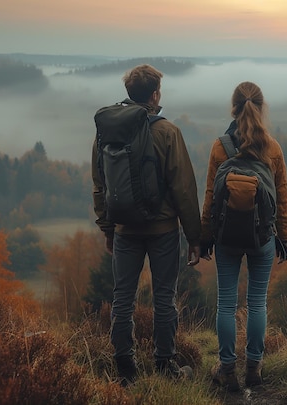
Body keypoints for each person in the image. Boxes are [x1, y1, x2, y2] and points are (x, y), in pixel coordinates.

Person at [91, 64, 202, 386]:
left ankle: (124, 370)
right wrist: (195, 237)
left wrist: (107, 229)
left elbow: (100, 184)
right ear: (155, 95)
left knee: (122, 298)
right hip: (163, 229)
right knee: (164, 297)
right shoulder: (167, 132)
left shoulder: (107, 131)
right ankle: (165, 364)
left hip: (124, 229)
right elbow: (183, 189)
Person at [200, 81, 287, 392]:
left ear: (233, 108)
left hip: (226, 237)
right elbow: (282, 197)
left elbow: (211, 196)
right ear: (261, 108)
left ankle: (227, 371)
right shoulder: (273, 147)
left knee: (225, 304)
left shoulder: (219, 146)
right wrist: (286, 236)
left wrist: (204, 236)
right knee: (257, 303)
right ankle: (254, 367)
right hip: (262, 238)